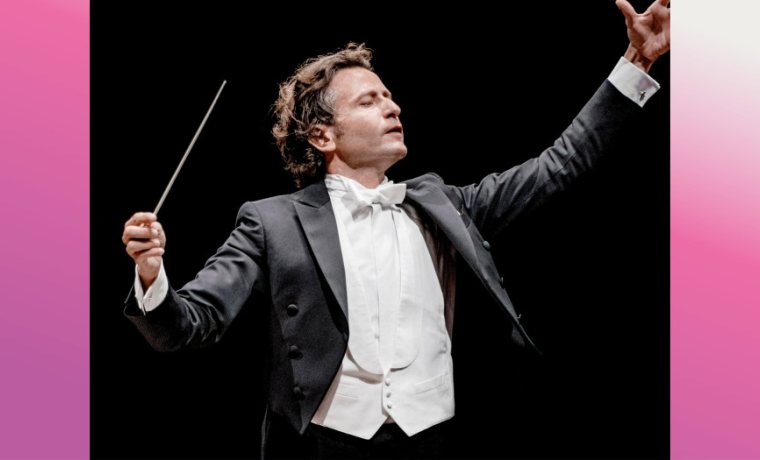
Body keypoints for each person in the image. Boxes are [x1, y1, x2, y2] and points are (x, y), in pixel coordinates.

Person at [121, 1, 669, 458]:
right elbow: (188, 325)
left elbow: (560, 165)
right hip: (324, 449)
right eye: (369, 100)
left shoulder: (442, 204)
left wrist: (637, 59)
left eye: (388, 96)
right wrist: (151, 273)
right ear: (322, 136)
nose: (393, 107)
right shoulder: (271, 221)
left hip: (438, 439)